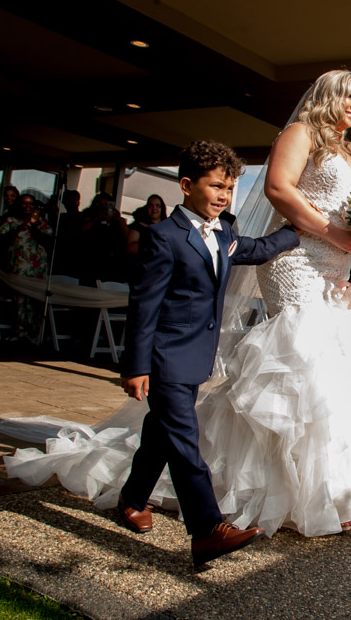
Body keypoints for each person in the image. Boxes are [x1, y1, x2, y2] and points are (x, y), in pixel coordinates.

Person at [4, 69, 351, 549]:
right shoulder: (299, 133)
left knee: (336, 376)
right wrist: (329, 232)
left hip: (333, 266)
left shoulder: (349, 152)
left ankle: (327, 493)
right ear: (326, 94)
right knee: (302, 368)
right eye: (348, 95)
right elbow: (280, 190)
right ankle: (276, 498)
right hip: (298, 263)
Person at [119, 140, 301, 566]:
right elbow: (143, 307)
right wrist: (136, 364)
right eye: (216, 186)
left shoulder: (225, 231)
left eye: (229, 188)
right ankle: (207, 529)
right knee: (184, 438)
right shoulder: (162, 237)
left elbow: (253, 250)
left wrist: (295, 233)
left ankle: (132, 497)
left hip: (197, 355)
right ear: (186, 185)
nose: (224, 195)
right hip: (165, 356)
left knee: (164, 430)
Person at [0, 194, 54, 341]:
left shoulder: (40, 221)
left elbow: (48, 237)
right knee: (20, 299)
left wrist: (34, 224)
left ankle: (34, 332)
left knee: (35, 299)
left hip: (37, 266)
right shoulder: (11, 220)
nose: (28, 206)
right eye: (24, 203)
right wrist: (22, 223)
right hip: (19, 264)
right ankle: (20, 332)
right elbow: (2, 236)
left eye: (31, 204)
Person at [80, 193, 129, 283]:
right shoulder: (90, 216)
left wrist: (118, 219)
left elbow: (128, 236)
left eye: (106, 205)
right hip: (92, 259)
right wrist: (98, 218)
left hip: (112, 262)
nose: (104, 208)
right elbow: (82, 230)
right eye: (101, 205)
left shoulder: (116, 219)